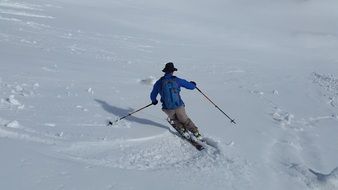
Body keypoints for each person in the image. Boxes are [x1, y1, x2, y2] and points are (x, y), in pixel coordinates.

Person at [150, 62, 203, 140]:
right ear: (172, 71)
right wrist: (193, 84)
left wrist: (154, 101)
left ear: (165, 71)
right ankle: (196, 133)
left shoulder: (159, 82)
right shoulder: (177, 80)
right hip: (179, 105)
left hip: (167, 107)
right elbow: (191, 87)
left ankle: (182, 130)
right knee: (185, 119)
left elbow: (153, 94)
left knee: (174, 119)